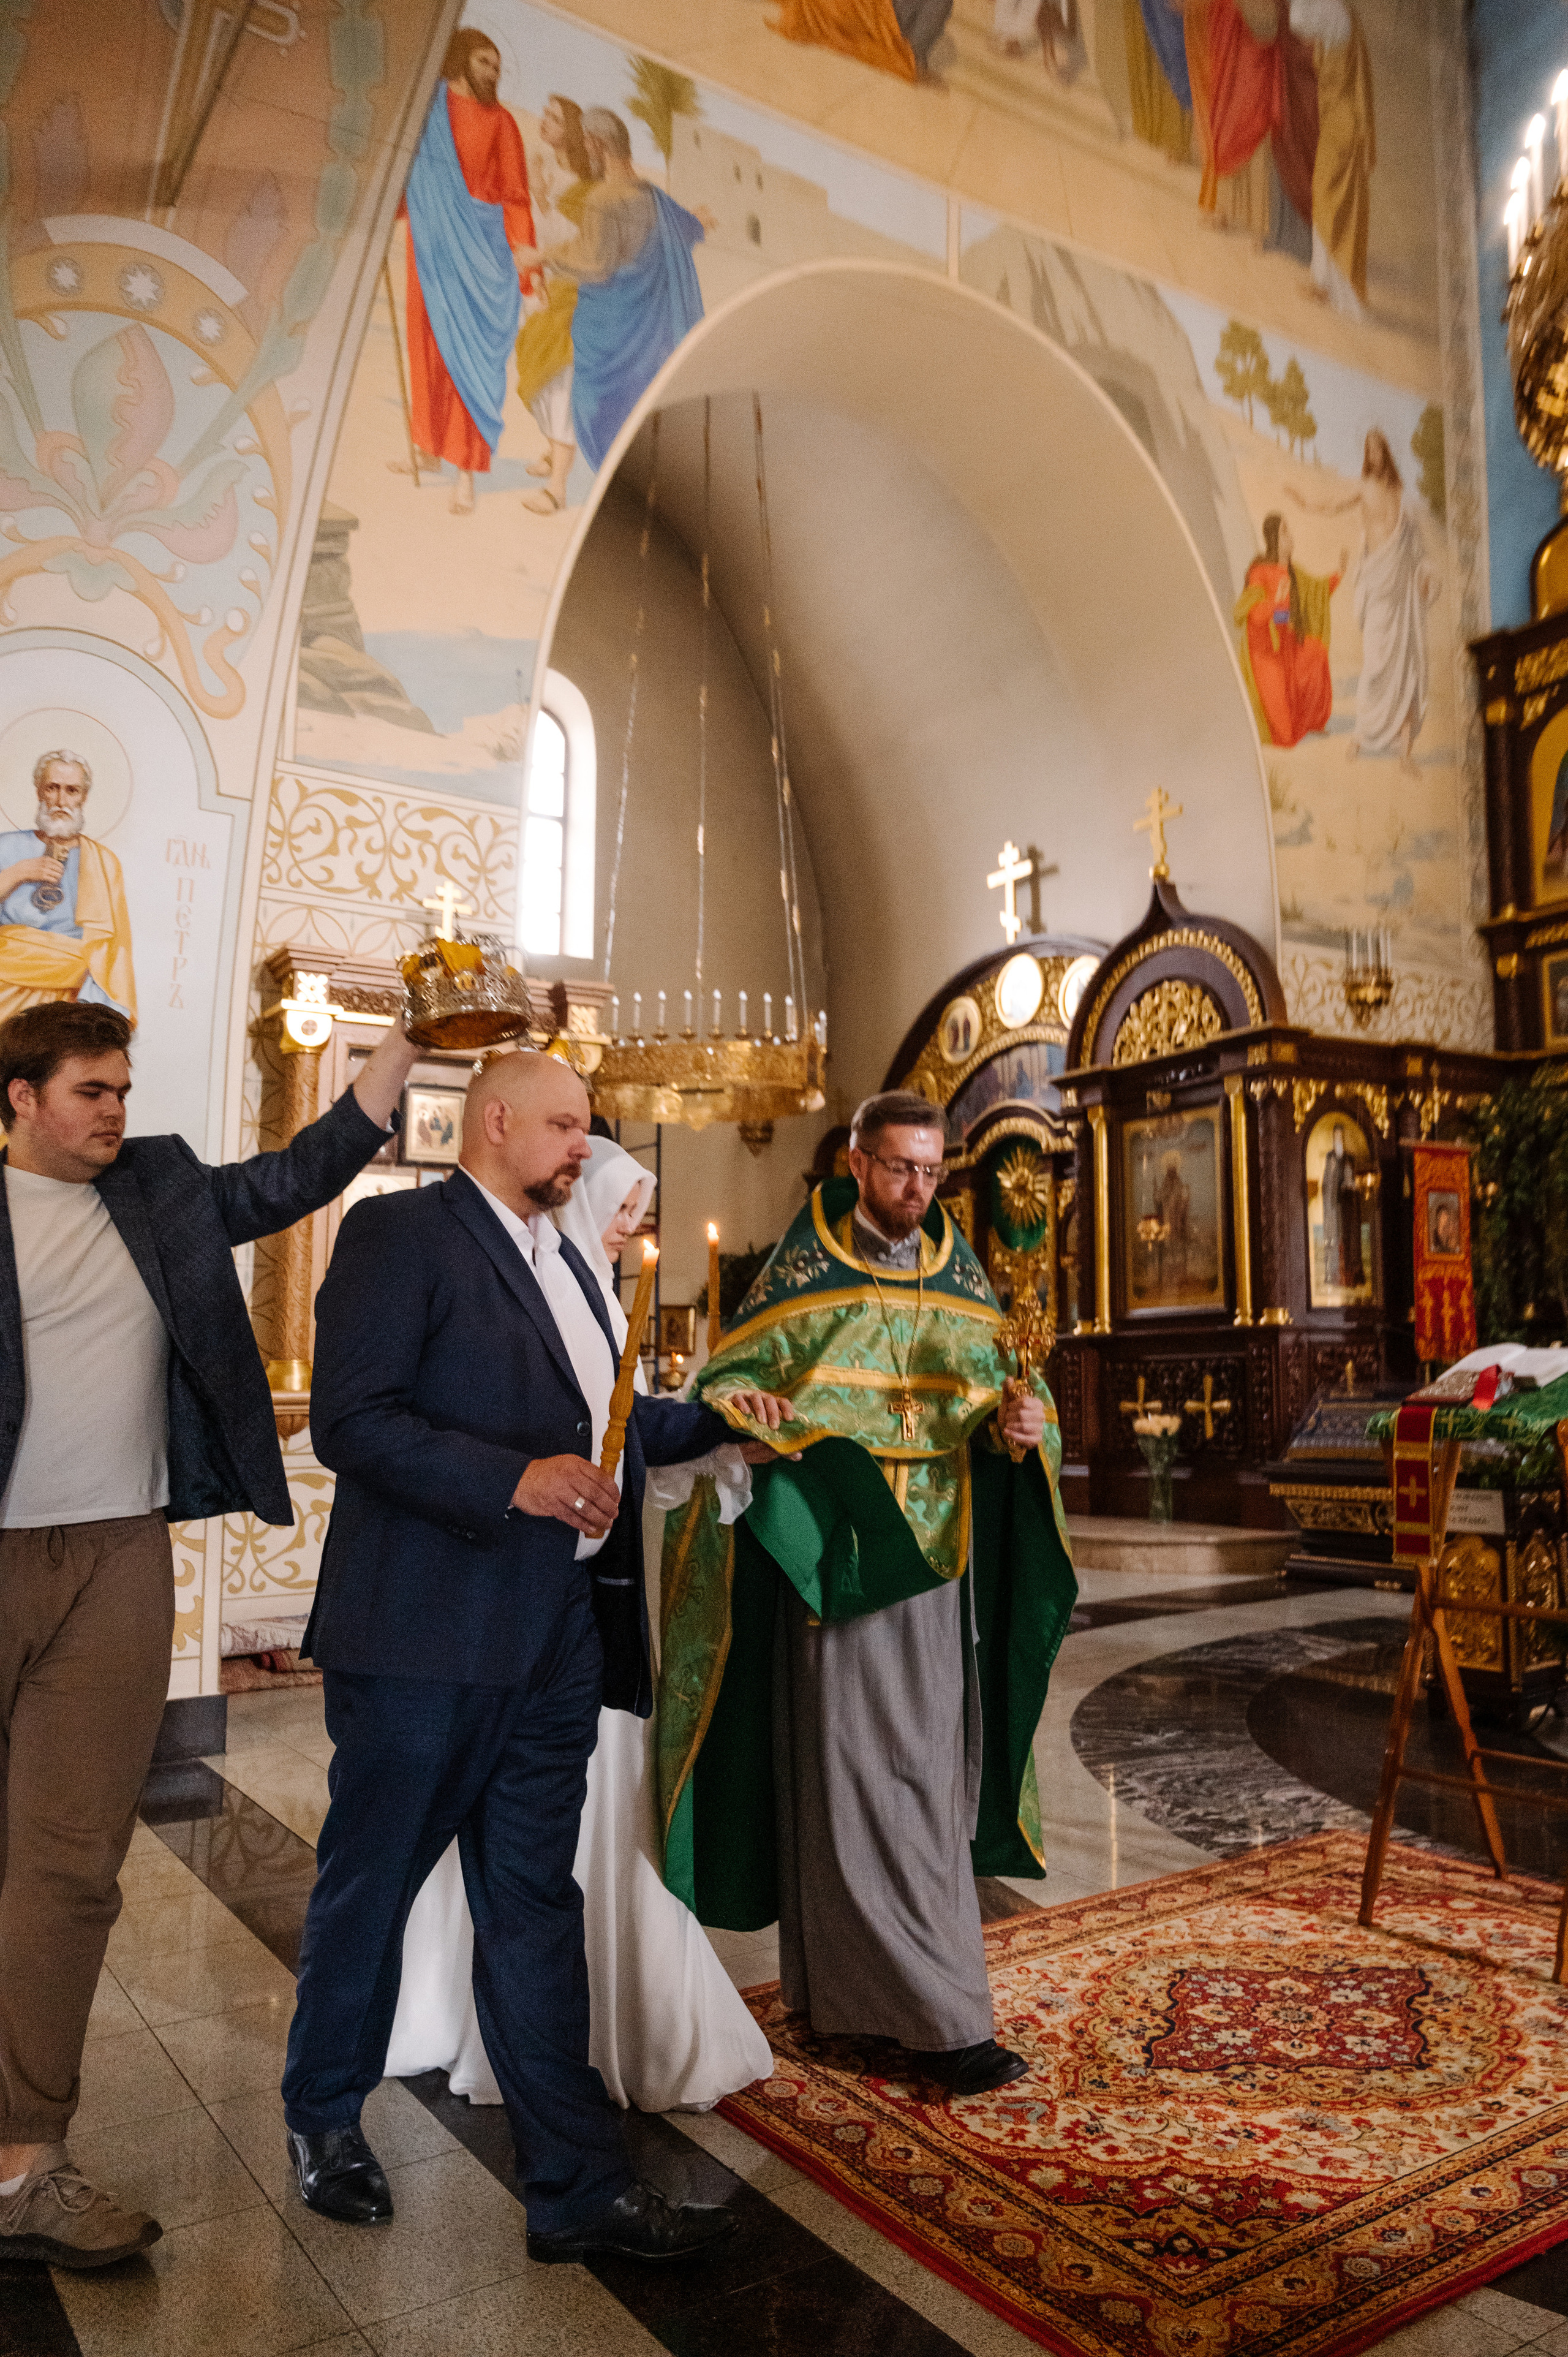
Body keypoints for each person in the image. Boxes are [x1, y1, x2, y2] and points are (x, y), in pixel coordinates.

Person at [281, 1051, 794, 2261]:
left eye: (586, 1128)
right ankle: (321, 2118)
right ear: (495, 1118)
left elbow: (603, 1426)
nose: (584, 1145)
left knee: (530, 1906)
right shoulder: (398, 1234)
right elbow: (354, 1421)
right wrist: (511, 1481)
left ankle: (574, 2186)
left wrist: (725, 1413)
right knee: (373, 1883)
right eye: (565, 1125)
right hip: (421, 1632)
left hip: (553, 1636)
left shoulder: (569, 1258)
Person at [0, 997, 418, 2268]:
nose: (116, 1111)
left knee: (69, 1867)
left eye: (123, 1088)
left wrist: (402, 1043)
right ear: (17, 1097)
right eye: (90, 1091)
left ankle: (25, 2160)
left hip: (119, 1557)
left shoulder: (161, 1189)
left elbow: (299, 1174)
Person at [656, 1092, 1079, 2098]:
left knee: (919, 1785)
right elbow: (729, 1391)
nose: (918, 1190)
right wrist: (746, 1411)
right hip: (837, 1574)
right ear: (855, 1161)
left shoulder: (969, 1282)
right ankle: (871, 2005)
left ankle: (937, 2010)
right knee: (841, 1784)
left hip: (933, 1578)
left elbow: (1011, 1409)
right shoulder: (797, 1280)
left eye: (933, 1172)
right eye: (899, 1169)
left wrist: (1022, 1429)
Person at [386, 1136, 773, 2112]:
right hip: (497, 1605)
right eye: (621, 1209)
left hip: (586, 1617)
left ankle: (590, 2042)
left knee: (572, 1837)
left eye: (641, 1213)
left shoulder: (597, 1296)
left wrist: (725, 1415)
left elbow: (635, 1422)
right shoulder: (529, 1292)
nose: (631, 1229)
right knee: (507, 1846)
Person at [513, 111, 710, 476]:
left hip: (608, 331)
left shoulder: (604, 200)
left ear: (598, 145)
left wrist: (539, 255)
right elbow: (685, 229)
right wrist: (698, 221)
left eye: (587, 142)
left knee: (593, 408)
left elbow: (593, 262)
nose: (584, 149)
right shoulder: (653, 196)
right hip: (643, 332)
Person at [396, 30, 535, 516]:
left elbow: (516, 195)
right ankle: (430, 448)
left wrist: (522, 250)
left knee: (469, 364)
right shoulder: (425, 108)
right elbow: (406, 170)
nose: (493, 73)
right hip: (431, 249)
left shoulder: (503, 124)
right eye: (484, 62)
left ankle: (465, 474)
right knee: (428, 347)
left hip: (481, 255)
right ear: (460, 61)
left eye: (497, 66)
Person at [1289, 429, 1437, 773]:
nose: (1373, 455)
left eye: (1377, 449)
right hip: (1377, 580)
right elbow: (1331, 506)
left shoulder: (1399, 493)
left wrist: (1426, 578)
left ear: (1385, 453)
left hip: (1401, 586)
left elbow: (1416, 546)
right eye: (1368, 450)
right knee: (1374, 664)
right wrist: (1305, 504)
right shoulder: (1362, 487)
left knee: (1406, 668)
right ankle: (1362, 735)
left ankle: (1404, 751)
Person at [0, 751, 135, 1026]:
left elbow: (113, 949)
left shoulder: (104, 863)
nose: (61, 800)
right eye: (53, 788)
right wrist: (17, 874)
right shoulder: (5, 846)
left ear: (83, 797)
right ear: (39, 792)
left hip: (68, 996)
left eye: (72, 790)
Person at [515, 95, 595, 519]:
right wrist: (538, 190)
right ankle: (553, 452)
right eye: (543, 113)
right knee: (538, 372)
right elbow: (548, 227)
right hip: (549, 287)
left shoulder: (588, 188)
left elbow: (581, 246)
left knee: (561, 383)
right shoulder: (551, 174)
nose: (545, 122)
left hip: (576, 295)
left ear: (574, 132)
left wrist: (543, 263)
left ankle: (558, 487)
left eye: (554, 117)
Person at [1290, 0, 1374, 319]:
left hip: (1344, 129)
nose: (1307, 44)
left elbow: (1302, 19)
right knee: (1326, 201)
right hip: (1337, 125)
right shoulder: (1334, 25)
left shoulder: (1337, 24)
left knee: (1331, 203)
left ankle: (1336, 286)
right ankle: (1322, 279)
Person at [1234, 513, 1344, 748]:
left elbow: (1318, 592)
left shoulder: (1294, 571)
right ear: (1274, 538)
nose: (1290, 536)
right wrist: (1276, 601)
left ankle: (1313, 719)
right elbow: (1250, 613)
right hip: (1265, 652)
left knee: (1316, 652)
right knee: (1284, 737)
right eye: (1285, 532)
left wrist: (1340, 574)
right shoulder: (1259, 571)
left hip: (1288, 645)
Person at [1320, 1121, 1363, 1290]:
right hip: (1334, 1208)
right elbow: (1326, 1183)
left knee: (1351, 1242)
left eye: (1340, 1136)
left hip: (1348, 1209)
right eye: (1335, 1136)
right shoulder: (1330, 1158)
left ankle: (1353, 1277)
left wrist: (1351, 1186)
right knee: (1334, 1240)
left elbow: (1354, 1182)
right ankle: (1333, 1276)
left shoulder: (1349, 1159)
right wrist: (1331, 1175)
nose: (1338, 1138)